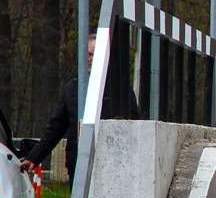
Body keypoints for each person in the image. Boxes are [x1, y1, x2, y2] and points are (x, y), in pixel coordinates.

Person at [22, 34, 139, 180]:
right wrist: (34, 157)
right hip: (78, 165)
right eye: (88, 55)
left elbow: (134, 123)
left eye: (94, 55)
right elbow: (55, 128)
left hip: (112, 164)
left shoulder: (120, 90)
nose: (90, 59)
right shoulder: (72, 89)